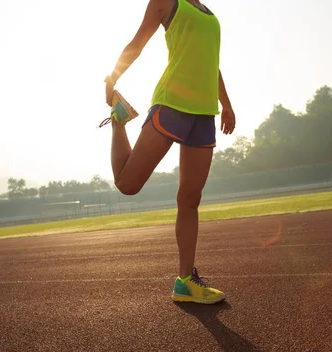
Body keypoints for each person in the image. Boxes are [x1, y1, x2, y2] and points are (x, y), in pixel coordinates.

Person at [103, 0, 235, 304]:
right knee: (128, 184)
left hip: (204, 114)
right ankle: (118, 121)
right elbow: (137, 44)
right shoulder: (165, 2)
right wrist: (112, 78)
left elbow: (210, 63)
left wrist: (225, 104)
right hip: (172, 104)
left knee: (190, 198)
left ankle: (185, 281)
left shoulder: (207, 12)